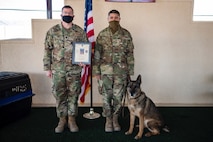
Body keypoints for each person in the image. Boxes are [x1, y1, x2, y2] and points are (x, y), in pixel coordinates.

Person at [43, 5, 88, 133]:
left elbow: (84, 48)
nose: (67, 14)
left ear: (73, 15)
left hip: (74, 70)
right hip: (58, 70)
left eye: (70, 13)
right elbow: (47, 50)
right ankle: (62, 119)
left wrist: (83, 61)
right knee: (60, 95)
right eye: (65, 12)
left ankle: (72, 119)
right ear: (61, 15)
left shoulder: (80, 32)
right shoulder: (52, 31)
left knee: (73, 95)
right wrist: (47, 68)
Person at [93, 9, 135, 132]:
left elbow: (130, 54)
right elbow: (97, 55)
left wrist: (130, 71)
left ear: (120, 19)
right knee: (106, 97)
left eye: (116, 17)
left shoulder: (126, 34)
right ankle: (108, 120)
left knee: (118, 97)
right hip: (105, 72)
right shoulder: (102, 34)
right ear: (108, 19)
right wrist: (96, 72)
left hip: (121, 72)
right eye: (111, 17)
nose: (114, 19)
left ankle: (115, 118)